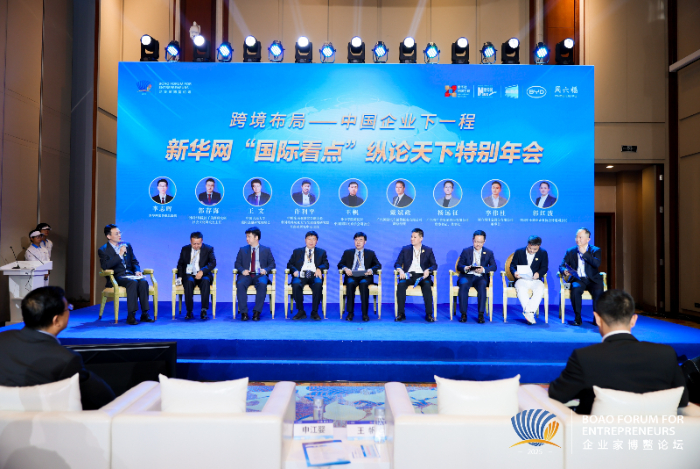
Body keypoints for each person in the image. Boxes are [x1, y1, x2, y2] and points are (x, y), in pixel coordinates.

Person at [549, 289, 689, 415]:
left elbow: (557, 394)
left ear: (597, 319)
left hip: (596, 434)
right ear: (634, 320)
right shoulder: (666, 355)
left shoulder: (584, 357)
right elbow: (682, 401)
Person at [0, 286, 116, 410]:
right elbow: (103, 398)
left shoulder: (3, 338)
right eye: (68, 308)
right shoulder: (66, 359)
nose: (69, 311)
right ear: (56, 320)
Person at [97, 224, 154, 325]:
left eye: (120, 233)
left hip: (130, 275)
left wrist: (137, 271)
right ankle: (131, 315)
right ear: (109, 236)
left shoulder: (127, 245)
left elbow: (134, 261)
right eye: (116, 234)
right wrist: (119, 254)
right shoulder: (103, 250)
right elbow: (105, 266)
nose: (119, 235)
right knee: (133, 283)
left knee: (143, 282)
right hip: (117, 277)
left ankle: (145, 314)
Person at [559, 228, 604, 326]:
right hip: (578, 279)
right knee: (575, 289)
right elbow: (562, 265)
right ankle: (578, 318)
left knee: (598, 290)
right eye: (576, 237)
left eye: (580, 237)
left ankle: (597, 318)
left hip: (593, 279)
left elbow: (596, 264)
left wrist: (585, 253)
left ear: (588, 239)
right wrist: (564, 270)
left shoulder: (595, 250)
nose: (577, 239)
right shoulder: (570, 251)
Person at [394, 228, 438, 323]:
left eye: (415, 237)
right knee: (401, 285)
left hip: (422, 276)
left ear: (421, 238)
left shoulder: (428, 250)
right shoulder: (405, 249)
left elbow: (434, 265)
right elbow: (397, 263)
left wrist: (428, 270)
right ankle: (401, 314)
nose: (412, 239)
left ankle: (429, 314)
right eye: (411, 237)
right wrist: (400, 270)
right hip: (408, 275)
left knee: (427, 286)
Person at [234, 226, 276, 321]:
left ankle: (257, 312)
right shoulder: (242, 249)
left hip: (260, 275)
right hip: (246, 275)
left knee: (262, 283)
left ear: (256, 237)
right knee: (240, 284)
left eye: (249, 236)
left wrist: (265, 270)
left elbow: (272, 264)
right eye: (246, 237)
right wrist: (242, 270)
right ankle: (244, 313)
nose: (247, 239)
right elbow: (237, 264)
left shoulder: (266, 250)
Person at [337, 232, 381, 322]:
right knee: (350, 283)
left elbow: (378, 265)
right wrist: (346, 269)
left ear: (365, 242)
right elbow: (340, 264)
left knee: (363, 284)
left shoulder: (370, 253)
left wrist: (371, 270)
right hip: (352, 275)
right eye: (356, 240)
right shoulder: (347, 252)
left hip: (365, 276)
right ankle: (350, 313)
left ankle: (365, 314)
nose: (358, 242)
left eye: (360, 240)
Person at [287, 231, 329, 321]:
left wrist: (319, 268)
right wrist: (294, 270)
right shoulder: (297, 251)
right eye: (309, 239)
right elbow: (289, 264)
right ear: (305, 240)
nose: (311, 241)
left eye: (314, 239)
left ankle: (314, 311)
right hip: (301, 274)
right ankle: (301, 311)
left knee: (318, 284)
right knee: (296, 284)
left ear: (317, 241)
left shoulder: (321, 252)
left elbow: (326, 264)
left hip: (314, 274)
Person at [456, 230, 497, 323]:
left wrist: (483, 269)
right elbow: (459, 265)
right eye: (476, 241)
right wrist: (466, 268)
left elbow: (494, 267)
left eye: (480, 242)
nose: (478, 244)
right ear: (472, 240)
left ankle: (481, 315)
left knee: (482, 286)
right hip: (467, 276)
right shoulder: (466, 251)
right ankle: (463, 314)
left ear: (484, 241)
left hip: (480, 277)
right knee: (463, 284)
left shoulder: (489, 252)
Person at [176, 231, 217, 320]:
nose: (196, 246)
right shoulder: (185, 249)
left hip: (203, 274)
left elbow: (213, 263)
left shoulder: (208, 249)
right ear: (190, 241)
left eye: (198, 244)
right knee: (188, 282)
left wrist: (202, 271)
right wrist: (180, 277)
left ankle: (204, 310)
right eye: (194, 244)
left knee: (205, 281)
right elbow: (180, 265)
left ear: (202, 241)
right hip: (190, 275)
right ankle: (189, 311)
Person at [509, 236, 549, 324]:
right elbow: (512, 266)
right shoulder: (519, 251)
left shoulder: (543, 253)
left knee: (540, 288)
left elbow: (544, 267)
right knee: (520, 288)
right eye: (530, 248)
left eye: (535, 249)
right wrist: (515, 272)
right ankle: (530, 314)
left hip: (535, 280)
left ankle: (528, 312)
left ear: (539, 246)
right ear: (528, 244)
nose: (532, 251)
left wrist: (538, 273)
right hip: (522, 279)